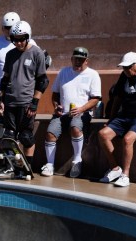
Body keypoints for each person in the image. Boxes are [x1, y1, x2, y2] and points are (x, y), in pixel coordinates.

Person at [0, 12, 40, 173]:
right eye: (6, 28)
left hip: (24, 96)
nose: (9, 32)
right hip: (3, 93)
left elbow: (40, 75)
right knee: (0, 131)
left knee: (24, 135)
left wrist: (34, 100)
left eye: (12, 28)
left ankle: (22, 167)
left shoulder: (32, 46)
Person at [97, 52, 136, 187]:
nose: (125, 70)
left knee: (127, 139)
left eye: (128, 67)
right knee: (103, 134)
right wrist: (111, 118)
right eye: (124, 68)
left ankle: (125, 175)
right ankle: (115, 168)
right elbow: (117, 99)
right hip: (124, 117)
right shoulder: (124, 76)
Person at [0, 21, 49, 177]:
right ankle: (9, 167)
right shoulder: (10, 54)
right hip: (10, 101)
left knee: (26, 136)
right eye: (15, 39)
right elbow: (5, 79)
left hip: (26, 103)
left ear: (28, 37)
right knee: (9, 137)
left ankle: (27, 168)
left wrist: (34, 103)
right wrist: (1, 100)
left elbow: (43, 80)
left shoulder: (37, 53)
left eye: (21, 39)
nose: (18, 42)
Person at [41, 47, 102, 178]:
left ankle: (77, 161)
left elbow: (96, 99)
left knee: (75, 127)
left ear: (87, 61)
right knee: (50, 133)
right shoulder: (63, 72)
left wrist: (81, 109)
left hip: (82, 113)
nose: (78, 62)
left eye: (81, 59)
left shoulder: (93, 75)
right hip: (62, 114)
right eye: (75, 59)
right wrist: (56, 106)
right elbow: (55, 94)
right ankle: (49, 164)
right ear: (71, 59)